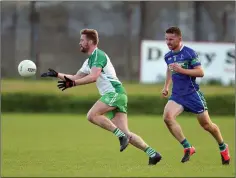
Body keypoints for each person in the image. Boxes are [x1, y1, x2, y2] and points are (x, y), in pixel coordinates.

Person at [41, 28, 162, 165]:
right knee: (126, 133)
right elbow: (76, 77)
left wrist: (73, 84)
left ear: (91, 42)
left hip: (114, 93)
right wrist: (57, 75)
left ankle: (121, 136)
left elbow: (93, 77)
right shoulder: (89, 61)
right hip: (118, 95)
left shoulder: (98, 55)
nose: (79, 43)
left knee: (92, 115)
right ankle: (153, 154)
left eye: (82, 40)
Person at [161, 26, 230, 165]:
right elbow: (169, 70)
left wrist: (181, 70)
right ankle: (188, 147)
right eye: (166, 39)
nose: (168, 42)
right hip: (177, 95)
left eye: (171, 39)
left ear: (179, 39)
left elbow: (200, 72)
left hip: (192, 94)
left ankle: (223, 147)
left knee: (207, 125)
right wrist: (166, 86)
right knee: (168, 117)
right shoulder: (168, 56)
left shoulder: (189, 53)